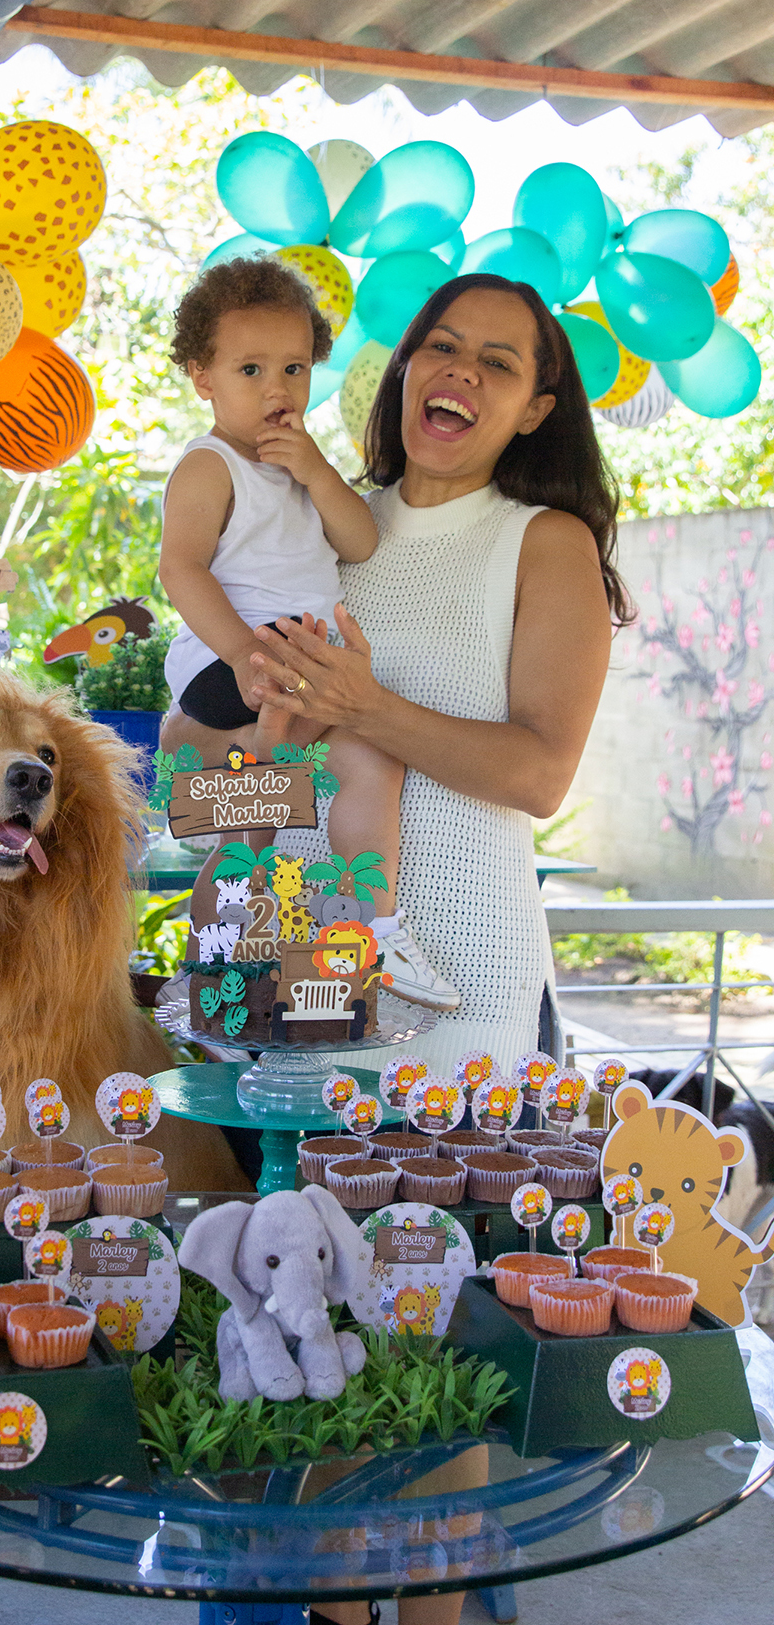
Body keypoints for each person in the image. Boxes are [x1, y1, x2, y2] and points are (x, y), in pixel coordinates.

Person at [248, 272, 627, 1086]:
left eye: (497, 363)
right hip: (301, 990)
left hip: (470, 1013)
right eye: (443, 347)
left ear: (534, 411)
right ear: (406, 369)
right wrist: (266, 744)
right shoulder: (316, 521)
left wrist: (367, 708)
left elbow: (540, 775)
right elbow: (213, 791)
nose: (462, 371)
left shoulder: (545, 542)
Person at [158, 258, 459, 1009]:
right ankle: (350, 932)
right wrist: (243, 654)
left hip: (299, 668)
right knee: (292, 781)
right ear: (203, 377)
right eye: (250, 368)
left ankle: (338, 935)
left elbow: (359, 542)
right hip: (243, 665)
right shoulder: (209, 465)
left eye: (293, 368)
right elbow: (181, 568)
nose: (275, 389)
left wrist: (318, 470)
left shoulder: (298, 466)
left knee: (358, 769)